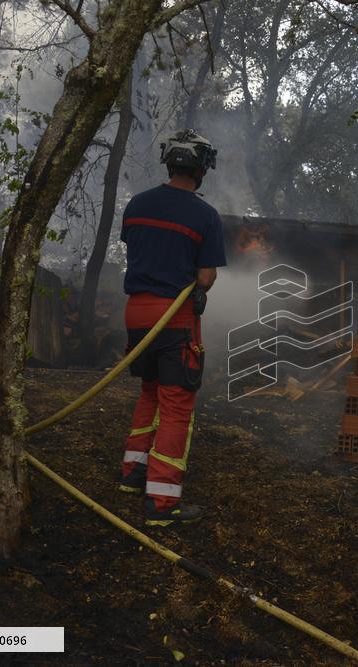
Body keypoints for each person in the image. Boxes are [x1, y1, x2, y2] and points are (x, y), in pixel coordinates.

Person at [116, 129, 227, 527]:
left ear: (169, 162)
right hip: (174, 318)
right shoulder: (204, 215)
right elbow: (206, 278)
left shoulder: (137, 204)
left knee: (150, 392)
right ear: (202, 168)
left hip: (136, 314)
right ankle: (162, 504)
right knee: (177, 406)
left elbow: (140, 251)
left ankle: (133, 474)